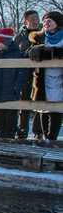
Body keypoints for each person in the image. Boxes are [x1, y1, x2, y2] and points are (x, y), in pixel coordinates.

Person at [0, 28, 27, 139]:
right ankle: (0, 141)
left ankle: (11, 144)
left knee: (11, 123)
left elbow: (21, 75)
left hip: (11, 95)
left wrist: (16, 89)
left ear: (6, 41)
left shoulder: (18, 56)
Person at [29, 11, 63, 144]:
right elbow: (29, 54)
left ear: (58, 23)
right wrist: (37, 50)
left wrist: (47, 52)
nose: (46, 23)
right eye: (45, 20)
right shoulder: (39, 38)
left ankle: (52, 139)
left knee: (56, 108)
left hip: (60, 78)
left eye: (50, 20)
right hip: (43, 78)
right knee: (43, 107)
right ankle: (44, 137)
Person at [14, 10, 42, 139]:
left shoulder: (44, 34)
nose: (36, 21)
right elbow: (15, 54)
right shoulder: (20, 37)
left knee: (39, 103)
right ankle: (22, 131)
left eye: (37, 18)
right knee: (24, 103)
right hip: (25, 74)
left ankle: (38, 132)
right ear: (26, 21)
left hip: (41, 74)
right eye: (32, 19)